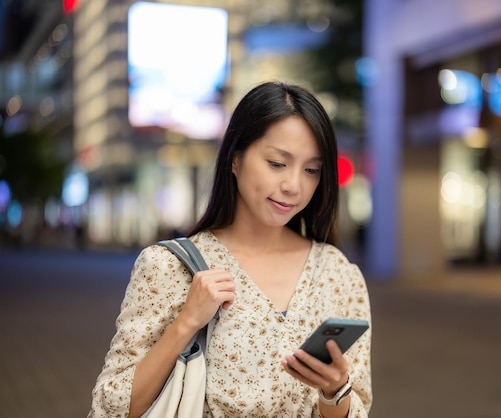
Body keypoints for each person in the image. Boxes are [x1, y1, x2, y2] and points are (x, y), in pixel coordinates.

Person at [88, 81, 372, 418]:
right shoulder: (169, 267)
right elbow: (111, 407)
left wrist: (334, 390)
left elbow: (359, 408)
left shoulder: (339, 275)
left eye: (311, 170)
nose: (293, 186)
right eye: (277, 163)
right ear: (235, 160)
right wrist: (186, 322)